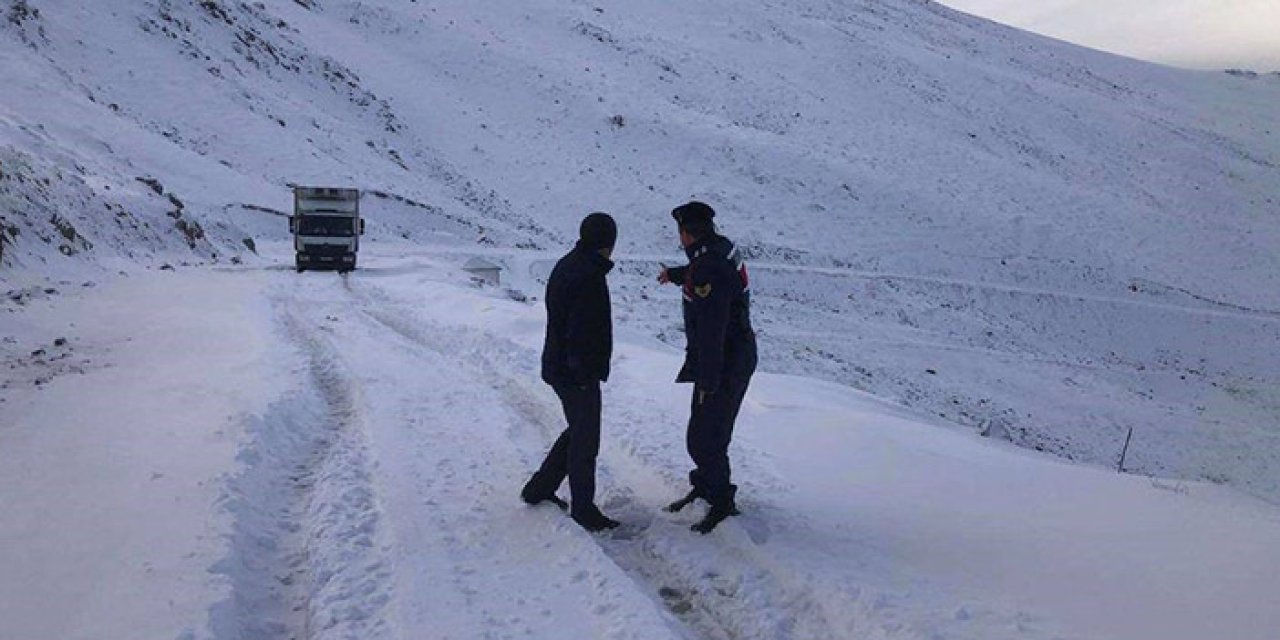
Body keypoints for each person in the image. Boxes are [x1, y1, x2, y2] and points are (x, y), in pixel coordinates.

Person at [657, 201, 758, 534]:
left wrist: (708, 380)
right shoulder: (719, 250)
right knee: (705, 428)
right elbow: (711, 274)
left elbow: (713, 328)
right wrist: (676, 275)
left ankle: (721, 499)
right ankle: (704, 485)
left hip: (723, 362)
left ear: (685, 234)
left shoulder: (707, 267)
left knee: (705, 438)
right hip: (731, 354)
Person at [521, 213, 621, 532]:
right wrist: (581, 374)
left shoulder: (573, 264)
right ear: (609, 243)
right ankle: (583, 509)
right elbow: (580, 331)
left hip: (563, 366)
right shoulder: (587, 275)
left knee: (579, 429)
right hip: (575, 371)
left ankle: (539, 488)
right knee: (585, 439)